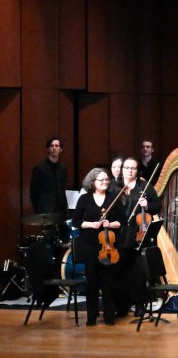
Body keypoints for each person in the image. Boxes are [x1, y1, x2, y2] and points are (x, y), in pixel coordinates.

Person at [72, 168, 124, 326]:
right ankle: (91, 316)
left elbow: (122, 221)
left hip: (109, 246)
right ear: (92, 182)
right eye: (101, 180)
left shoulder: (113, 198)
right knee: (92, 282)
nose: (105, 182)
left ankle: (109, 316)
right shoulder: (85, 199)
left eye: (107, 180)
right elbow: (75, 221)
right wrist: (91, 225)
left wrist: (111, 224)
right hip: (89, 245)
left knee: (109, 282)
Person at [117, 157, 161, 318]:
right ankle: (122, 304)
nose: (130, 171)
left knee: (139, 273)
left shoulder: (145, 187)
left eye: (133, 168)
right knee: (122, 272)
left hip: (138, 235)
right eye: (127, 168)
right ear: (122, 170)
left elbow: (157, 206)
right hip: (121, 235)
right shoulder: (116, 188)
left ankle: (139, 304)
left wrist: (147, 205)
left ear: (137, 171)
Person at [29, 137, 68, 218]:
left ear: (61, 149)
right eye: (51, 146)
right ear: (48, 149)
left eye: (57, 146)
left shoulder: (63, 168)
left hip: (61, 210)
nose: (54, 148)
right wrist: (38, 211)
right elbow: (34, 192)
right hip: (46, 210)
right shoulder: (39, 168)